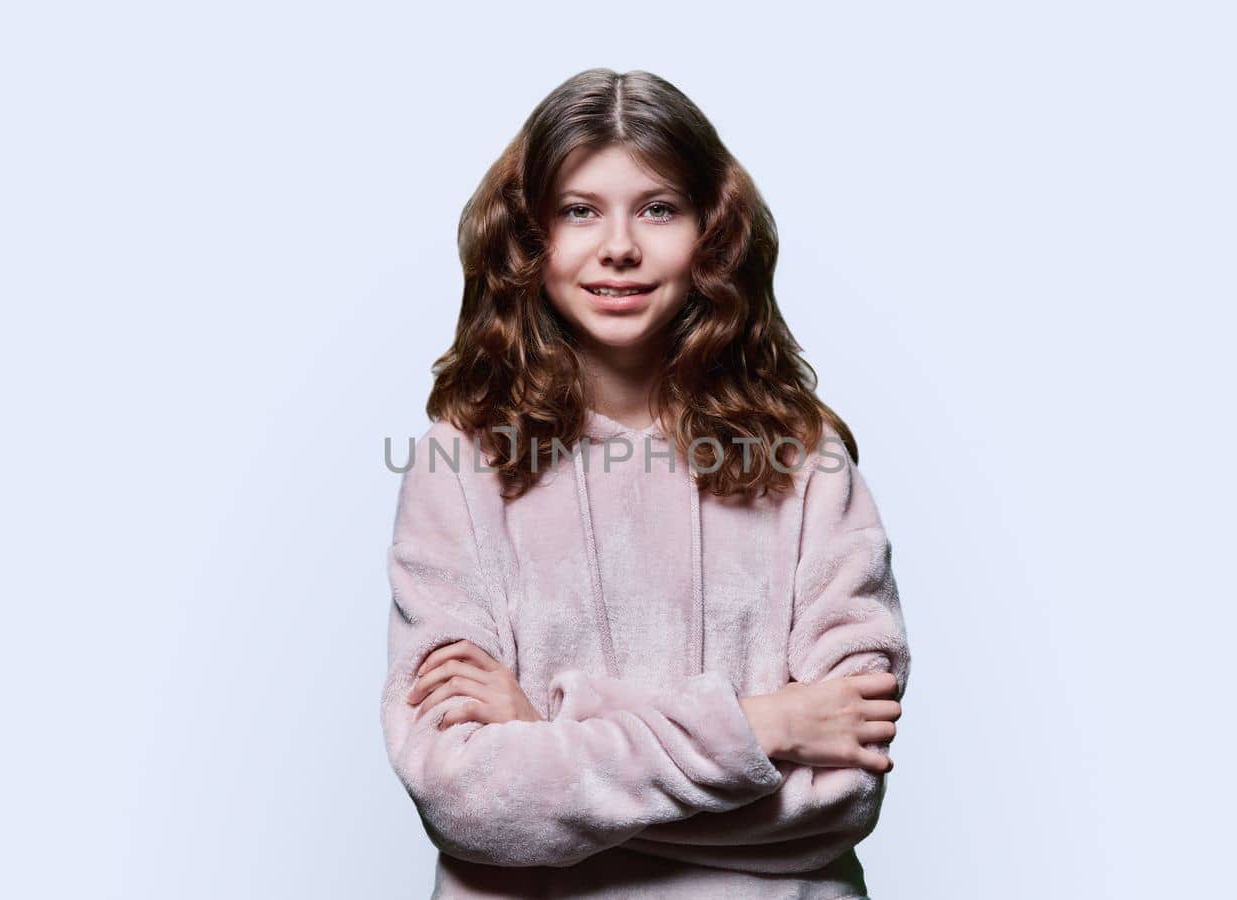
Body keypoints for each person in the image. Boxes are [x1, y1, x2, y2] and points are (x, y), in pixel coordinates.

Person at [380, 68, 910, 899]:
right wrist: (763, 728)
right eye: (578, 210)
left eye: (658, 209)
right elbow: (469, 797)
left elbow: (842, 793)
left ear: (713, 232)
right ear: (527, 237)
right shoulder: (461, 465)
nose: (618, 246)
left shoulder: (807, 461)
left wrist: (550, 734)